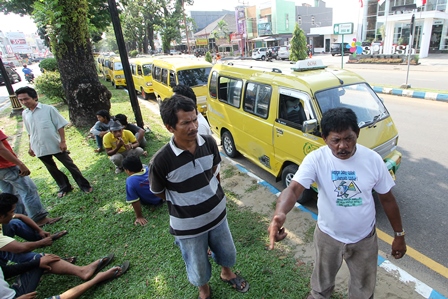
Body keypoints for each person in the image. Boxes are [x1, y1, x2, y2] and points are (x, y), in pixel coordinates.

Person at [268, 107, 407, 299]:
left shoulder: (373, 160)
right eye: (336, 140)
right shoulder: (316, 159)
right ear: (325, 138)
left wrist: (399, 234)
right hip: (327, 237)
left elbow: (387, 199)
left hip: (364, 240)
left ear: (357, 134)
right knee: (321, 286)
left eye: (348, 138)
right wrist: (280, 214)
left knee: (363, 290)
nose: (343, 146)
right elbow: (293, 189)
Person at [149, 94, 249, 299]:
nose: (193, 126)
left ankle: (227, 273)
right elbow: (159, 192)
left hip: (218, 215)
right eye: (185, 123)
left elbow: (213, 170)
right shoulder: (161, 161)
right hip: (187, 226)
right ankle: (204, 290)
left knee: (226, 251)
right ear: (170, 127)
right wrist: (185, 201)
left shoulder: (209, 143)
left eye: (195, 119)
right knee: (197, 262)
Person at [16, 87, 92, 198]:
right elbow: (29, 131)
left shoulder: (48, 109)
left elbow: (60, 125)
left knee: (70, 165)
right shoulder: (25, 113)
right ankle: (65, 186)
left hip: (55, 144)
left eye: (26, 99)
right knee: (52, 169)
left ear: (35, 97)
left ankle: (84, 185)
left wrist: (63, 142)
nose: (24, 102)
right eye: (21, 100)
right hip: (38, 146)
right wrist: (30, 146)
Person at [0, 129, 61, 226]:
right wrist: (19, 163)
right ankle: (39, 219)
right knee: (28, 190)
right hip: (7, 166)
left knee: (10, 196)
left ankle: (20, 219)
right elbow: (1, 149)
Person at [1, 257, 129, 299]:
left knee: (41, 259)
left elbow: (5, 271)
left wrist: (37, 263)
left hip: (13, 293)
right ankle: (97, 279)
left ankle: (83, 271)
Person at [122, 156, 163, 226]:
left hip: (150, 202)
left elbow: (134, 201)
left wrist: (139, 216)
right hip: (162, 195)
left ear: (127, 171)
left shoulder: (130, 181)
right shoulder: (148, 168)